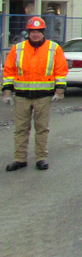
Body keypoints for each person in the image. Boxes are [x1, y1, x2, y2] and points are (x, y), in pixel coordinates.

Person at [2, 17, 68, 172]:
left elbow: (61, 71)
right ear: (28, 33)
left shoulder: (54, 48)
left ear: (43, 33)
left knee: (42, 128)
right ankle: (19, 159)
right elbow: (9, 71)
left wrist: (59, 91)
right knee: (20, 129)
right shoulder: (18, 49)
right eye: (33, 32)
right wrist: (7, 93)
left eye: (38, 32)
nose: (36, 35)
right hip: (22, 96)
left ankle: (41, 158)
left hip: (43, 96)